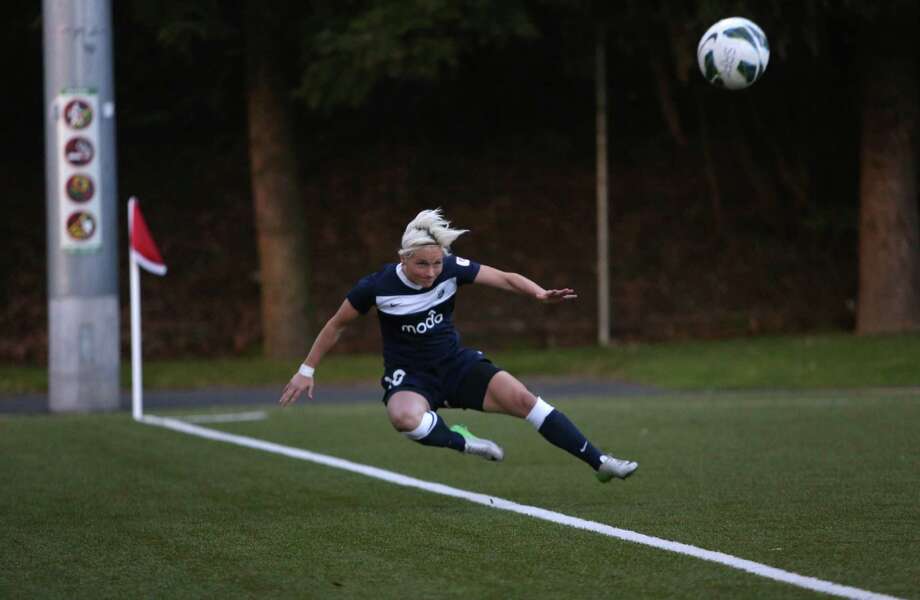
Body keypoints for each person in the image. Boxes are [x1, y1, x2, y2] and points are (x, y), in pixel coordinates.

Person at [279, 209, 638, 482]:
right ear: (403, 257)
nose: (432, 272)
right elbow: (336, 325)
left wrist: (539, 293)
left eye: (437, 263)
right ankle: (464, 442)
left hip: (457, 365)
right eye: (422, 264)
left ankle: (600, 462)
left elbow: (505, 278)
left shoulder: (452, 268)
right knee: (404, 418)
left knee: (526, 401)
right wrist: (306, 370)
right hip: (412, 377)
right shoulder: (376, 286)